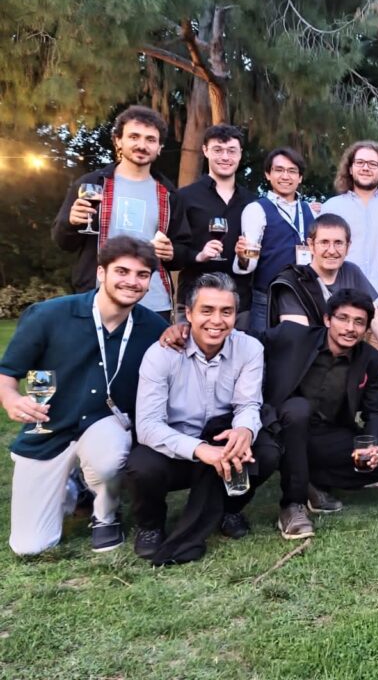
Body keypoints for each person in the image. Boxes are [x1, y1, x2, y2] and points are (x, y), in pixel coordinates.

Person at [1, 237, 167, 555]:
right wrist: (11, 399)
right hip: (49, 429)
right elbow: (7, 373)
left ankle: (105, 514)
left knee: (111, 457)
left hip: (104, 424)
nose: (132, 281)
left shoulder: (153, 328)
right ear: (101, 272)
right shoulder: (48, 315)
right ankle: (74, 488)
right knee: (30, 546)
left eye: (142, 275)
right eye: (122, 271)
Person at [127, 273, 280, 565]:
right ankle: (151, 525)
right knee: (142, 467)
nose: (217, 320)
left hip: (221, 438)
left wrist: (244, 431)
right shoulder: (161, 354)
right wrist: (200, 450)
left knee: (267, 452)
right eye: (207, 310)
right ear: (189, 313)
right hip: (176, 445)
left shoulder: (249, 349)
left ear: (236, 314)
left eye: (226, 311)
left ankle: (229, 509)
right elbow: (147, 426)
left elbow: (248, 404)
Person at [267, 213, 378, 488]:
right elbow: (297, 341)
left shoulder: (351, 272)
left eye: (339, 243)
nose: (332, 250)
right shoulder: (295, 281)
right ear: (310, 244)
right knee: (304, 413)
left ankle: (368, 457)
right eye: (324, 242)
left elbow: (375, 318)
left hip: (351, 369)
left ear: (348, 246)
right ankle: (301, 470)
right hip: (309, 383)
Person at [263, 290, 378, 539]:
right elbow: (244, 341)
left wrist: (372, 445)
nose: (350, 328)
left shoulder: (370, 359)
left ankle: (308, 479)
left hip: (327, 434)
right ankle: (293, 504)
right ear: (327, 319)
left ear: (366, 328)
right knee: (298, 409)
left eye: (359, 322)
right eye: (343, 318)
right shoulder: (292, 335)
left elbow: (375, 411)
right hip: (283, 428)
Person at [52, 105, 187, 321]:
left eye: (150, 140)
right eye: (134, 136)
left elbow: (182, 251)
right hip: (98, 299)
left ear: (159, 147)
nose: (142, 145)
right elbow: (62, 242)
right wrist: (71, 223)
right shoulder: (91, 184)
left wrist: (172, 253)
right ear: (118, 141)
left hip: (153, 304)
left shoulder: (170, 194)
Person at [321, 140, 378, 343]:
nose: (366, 168)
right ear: (350, 169)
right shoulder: (332, 207)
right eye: (360, 162)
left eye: (373, 164)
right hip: (343, 304)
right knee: (342, 360)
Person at [175, 124, 257, 327]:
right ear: (205, 151)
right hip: (194, 301)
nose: (225, 157)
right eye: (218, 150)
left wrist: (245, 257)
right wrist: (198, 255)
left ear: (240, 154)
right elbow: (173, 252)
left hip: (240, 303)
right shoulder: (185, 197)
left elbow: (257, 253)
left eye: (231, 151)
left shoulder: (253, 202)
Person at [234, 147, 317, 335]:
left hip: (304, 297)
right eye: (279, 170)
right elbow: (248, 262)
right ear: (268, 174)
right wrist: (243, 256)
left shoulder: (311, 211)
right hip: (267, 299)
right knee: (263, 349)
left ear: (300, 177)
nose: (285, 176)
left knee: (299, 348)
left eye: (292, 171)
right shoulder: (256, 210)